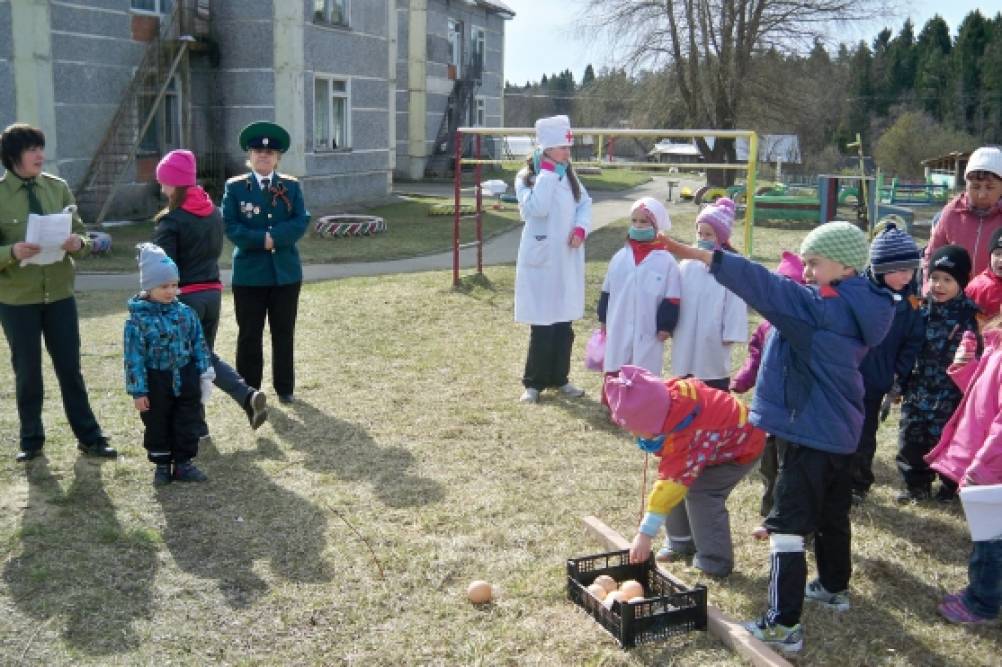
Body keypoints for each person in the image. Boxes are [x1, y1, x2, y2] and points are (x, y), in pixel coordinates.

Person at [662, 221, 895, 654]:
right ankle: (831, 586)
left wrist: (698, 254)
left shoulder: (819, 308)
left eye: (813, 263)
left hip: (809, 433)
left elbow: (763, 285)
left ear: (845, 266)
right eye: (804, 262)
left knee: (786, 528)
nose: (805, 271)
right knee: (830, 514)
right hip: (841, 431)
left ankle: (782, 624)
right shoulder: (862, 300)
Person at [0, 123, 117, 462]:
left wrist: (78, 243)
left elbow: (82, 237)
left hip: (60, 295)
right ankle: (31, 441)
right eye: (32, 149)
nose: (40, 155)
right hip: (17, 300)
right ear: (12, 156)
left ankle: (90, 437)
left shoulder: (58, 188)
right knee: (28, 371)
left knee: (70, 368)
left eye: (41, 147)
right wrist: (12, 253)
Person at [606, 365, 765, 578]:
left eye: (639, 431)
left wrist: (644, 534)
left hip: (742, 446)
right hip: (713, 444)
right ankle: (680, 542)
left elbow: (672, 481)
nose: (637, 436)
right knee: (676, 482)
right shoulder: (666, 401)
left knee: (701, 493)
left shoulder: (689, 431)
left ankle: (714, 562)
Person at [152, 149, 268, 430]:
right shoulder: (213, 213)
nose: (161, 186)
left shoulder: (171, 221)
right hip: (212, 295)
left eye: (164, 181)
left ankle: (243, 396)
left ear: (175, 183)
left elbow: (164, 270)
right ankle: (202, 423)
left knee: (190, 362)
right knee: (200, 360)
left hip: (185, 299)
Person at [222, 121, 310, 404]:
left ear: (278, 158)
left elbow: (301, 220)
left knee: (284, 333)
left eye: (269, 152)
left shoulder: (291, 186)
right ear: (249, 156)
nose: (263, 155)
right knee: (250, 334)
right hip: (250, 275)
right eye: (258, 151)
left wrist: (275, 238)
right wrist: (263, 241)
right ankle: (248, 391)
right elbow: (231, 226)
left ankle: (285, 388)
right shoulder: (235, 188)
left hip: (285, 273)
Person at [925, 315, 1002, 624]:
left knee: (991, 539)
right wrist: (967, 367)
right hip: (990, 459)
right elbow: (986, 396)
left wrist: (983, 465)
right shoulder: (998, 341)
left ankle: (981, 603)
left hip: (994, 465)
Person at [514, 115, 591, 404]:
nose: (567, 153)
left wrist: (581, 228)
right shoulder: (526, 178)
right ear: (546, 148)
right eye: (562, 147)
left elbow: (584, 203)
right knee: (542, 324)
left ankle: (560, 378)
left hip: (566, 257)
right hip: (542, 260)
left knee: (563, 324)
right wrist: (546, 174)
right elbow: (539, 208)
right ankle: (534, 383)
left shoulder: (570, 174)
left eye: (568, 147)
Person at [124, 244, 213, 485]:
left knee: (187, 419)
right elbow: (133, 358)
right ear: (148, 286)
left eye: (174, 285)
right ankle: (162, 465)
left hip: (185, 376)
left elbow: (198, 342)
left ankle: (184, 464)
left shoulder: (186, 313)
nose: (170, 291)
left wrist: (205, 372)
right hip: (156, 379)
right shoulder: (137, 321)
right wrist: (138, 391)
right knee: (157, 422)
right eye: (164, 286)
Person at [897, 245, 980, 503]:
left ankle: (949, 487)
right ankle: (916, 486)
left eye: (947, 280)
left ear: (962, 283)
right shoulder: (918, 308)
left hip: (952, 394)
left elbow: (981, 355)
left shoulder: (971, 314)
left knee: (949, 440)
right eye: (934, 278)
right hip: (918, 388)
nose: (939, 285)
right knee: (911, 439)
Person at [850, 223, 925, 505]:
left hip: (878, 379)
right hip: (849, 375)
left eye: (911, 270)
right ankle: (835, 479)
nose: (906, 276)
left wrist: (898, 376)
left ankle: (858, 482)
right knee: (843, 430)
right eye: (899, 270)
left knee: (866, 433)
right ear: (880, 268)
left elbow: (913, 340)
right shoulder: (860, 291)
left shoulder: (912, 300)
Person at [729, 251, 804, 524]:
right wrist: (741, 380)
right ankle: (769, 504)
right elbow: (754, 358)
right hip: (768, 407)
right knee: (769, 463)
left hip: (794, 410)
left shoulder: (805, 327)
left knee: (789, 464)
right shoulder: (764, 328)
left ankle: (786, 512)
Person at [597, 196, 680, 379]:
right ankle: (614, 400)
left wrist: (665, 326)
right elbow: (607, 290)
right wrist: (603, 318)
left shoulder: (666, 261)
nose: (638, 225)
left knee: (644, 370)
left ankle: (642, 405)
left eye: (644, 221)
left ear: (656, 226)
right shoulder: (619, 257)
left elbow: (672, 297)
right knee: (616, 362)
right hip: (618, 322)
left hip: (648, 328)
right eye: (634, 221)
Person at [670, 198, 748, 391]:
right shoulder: (687, 264)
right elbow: (676, 295)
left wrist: (731, 331)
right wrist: (671, 322)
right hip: (686, 328)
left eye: (708, 234)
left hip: (714, 331)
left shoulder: (730, 266)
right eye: (700, 233)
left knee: (711, 372)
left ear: (720, 237)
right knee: (685, 372)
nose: (703, 238)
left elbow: (736, 303)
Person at [925, 146, 1002, 280]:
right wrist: (928, 289)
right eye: (975, 187)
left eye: (990, 187)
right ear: (966, 184)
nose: (982, 194)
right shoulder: (952, 213)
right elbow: (932, 256)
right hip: (953, 296)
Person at [965, 226, 1002, 326]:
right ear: (990, 256)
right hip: (983, 337)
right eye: (997, 254)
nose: (1001, 260)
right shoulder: (977, 286)